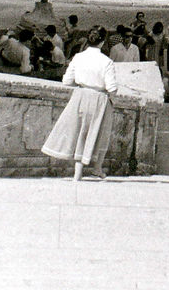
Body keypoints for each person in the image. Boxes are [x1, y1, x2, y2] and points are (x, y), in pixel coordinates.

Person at [41, 27, 117, 181]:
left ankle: (78, 173)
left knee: (80, 133)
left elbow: (67, 81)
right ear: (102, 42)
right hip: (99, 98)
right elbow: (112, 88)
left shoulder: (78, 57)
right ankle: (97, 168)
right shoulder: (107, 62)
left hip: (80, 96)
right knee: (99, 133)